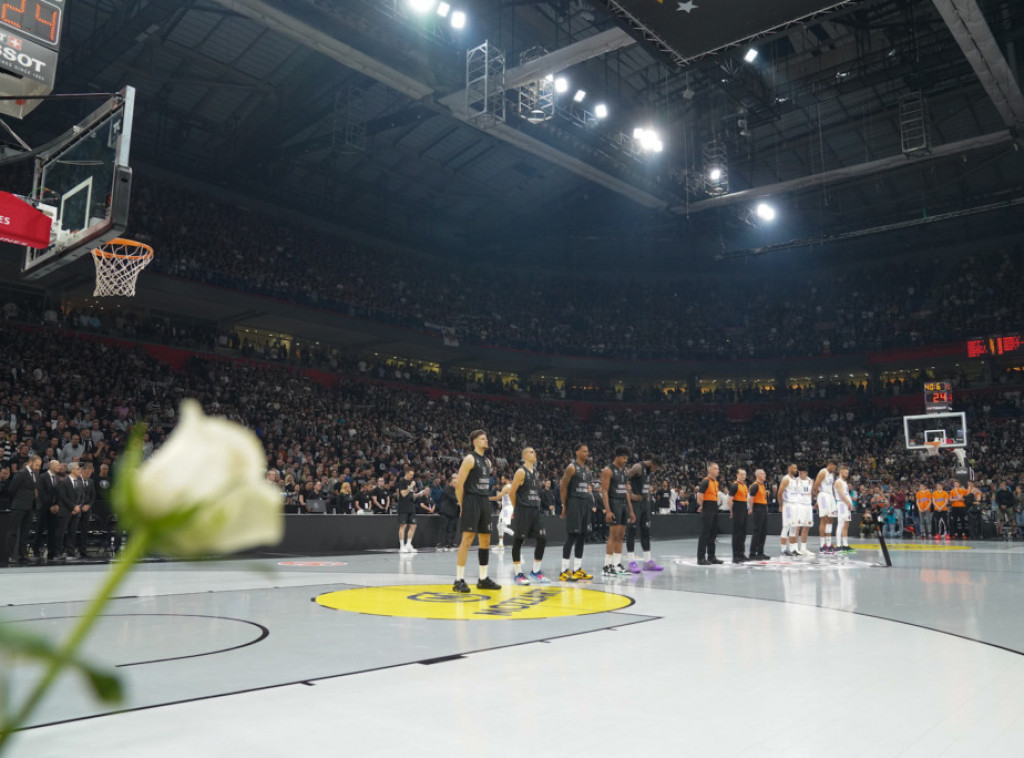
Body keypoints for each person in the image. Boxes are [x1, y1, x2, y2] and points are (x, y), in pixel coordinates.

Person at [452, 430, 501, 592]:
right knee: (467, 539)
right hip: (471, 500)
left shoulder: (487, 462)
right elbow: (459, 485)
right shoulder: (469, 459)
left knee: (486, 540)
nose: (486, 440)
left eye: (486, 438)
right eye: (482, 438)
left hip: (484, 500)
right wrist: (462, 505)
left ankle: (483, 578)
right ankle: (458, 579)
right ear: (474, 441)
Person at [507, 447, 550, 585]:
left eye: (534, 451)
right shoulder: (521, 471)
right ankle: (518, 573)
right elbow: (512, 492)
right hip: (523, 510)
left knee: (542, 538)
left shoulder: (535, 472)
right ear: (525, 456)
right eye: (531, 452)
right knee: (519, 540)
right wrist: (516, 508)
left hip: (535, 510)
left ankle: (535, 572)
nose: (535, 453)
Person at [559, 443, 594, 582]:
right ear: (577, 452)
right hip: (574, 503)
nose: (587, 453)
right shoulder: (571, 468)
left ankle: (577, 569)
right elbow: (563, 486)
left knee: (582, 536)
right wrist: (564, 505)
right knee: (572, 536)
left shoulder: (587, 469)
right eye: (584, 451)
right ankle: (563, 571)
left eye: (587, 451)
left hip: (585, 504)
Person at [624, 456, 664, 572]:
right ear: (652, 463)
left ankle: (647, 562)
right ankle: (631, 562)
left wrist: (647, 496)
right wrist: (630, 495)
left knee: (646, 531)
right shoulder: (638, 467)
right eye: (656, 467)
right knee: (632, 531)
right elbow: (623, 480)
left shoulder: (649, 471)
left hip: (644, 504)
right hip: (635, 503)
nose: (656, 470)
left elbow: (645, 486)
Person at [601, 446, 635, 577]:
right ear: (617, 457)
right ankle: (606, 566)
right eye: (623, 458)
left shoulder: (625, 471)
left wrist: (631, 510)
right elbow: (604, 491)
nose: (625, 460)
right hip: (614, 503)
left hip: (623, 504)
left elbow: (626, 491)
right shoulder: (608, 470)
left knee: (621, 536)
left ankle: (617, 564)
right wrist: (608, 511)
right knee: (613, 535)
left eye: (627, 458)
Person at [4, 455, 40, 565]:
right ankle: (10, 555)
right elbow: (12, 490)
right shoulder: (21, 473)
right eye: (37, 465)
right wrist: (17, 502)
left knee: (25, 532)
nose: (39, 467)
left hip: (29, 507)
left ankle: (22, 554)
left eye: (40, 465)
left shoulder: (35, 474)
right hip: (19, 506)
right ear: (31, 462)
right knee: (13, 531)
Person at [396, 468, 429, 553]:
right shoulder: (401, 482)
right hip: (403, 507)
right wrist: (410, 486)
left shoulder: (411, 482)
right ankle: (402, 546)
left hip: (411, 506)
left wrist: (418, 494)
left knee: (413, 525)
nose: (412, 476)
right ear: (406, 473)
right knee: (403, 526)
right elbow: (403, 494)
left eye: (412, 475)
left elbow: (411, 495)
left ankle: (408, 544)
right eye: (410, 474)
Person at [696, 462, 723, 565]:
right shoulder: (705, 482)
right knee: (705, 533)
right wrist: (702, 505)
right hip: (707, 507)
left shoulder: (715, 482)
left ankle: (711, 556)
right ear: (710, 470)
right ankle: (701, 557)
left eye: (718, 469)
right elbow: (699, 495)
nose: (718, 470)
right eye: (716, 469)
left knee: (713, 533)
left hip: (714, 507)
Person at [812, 460, 838, 555]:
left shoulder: (832, 475)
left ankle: (828, 543)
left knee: (831, 519)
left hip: (830, 496)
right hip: (823, 495)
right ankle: (822, 545)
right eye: (834, 467)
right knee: (824, 519)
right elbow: (816, 486)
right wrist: (819, 498)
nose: (834, 469)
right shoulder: (823, 472)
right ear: (830, 465)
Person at [746, 468, 771, 560]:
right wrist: (751, 508)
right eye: (763, 473)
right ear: (758, 475)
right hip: (758, 508)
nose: (765, 475)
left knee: (763, 531)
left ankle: (760, 552)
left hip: (763, 507)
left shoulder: (762, 486)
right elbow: (750, 498)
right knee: (757, 530)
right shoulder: (755, 486)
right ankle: (752, 553)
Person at [727, 468, 749, 563]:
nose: (743, 476)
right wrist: (732, 511)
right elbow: (729, 500)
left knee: (743, 533)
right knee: (737, 533)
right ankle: (735, 555)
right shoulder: (735, 485)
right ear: (737, 475)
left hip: (744, 508)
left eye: (744, 474)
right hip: (737, 508)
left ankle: (741, 553)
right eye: (741, 474)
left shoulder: (744, 485)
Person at [792, 465, 814, 556]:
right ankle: (795, 548)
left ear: (806, 473)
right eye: (799, 472)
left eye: (802, 472)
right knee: (798, 527)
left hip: (808, 506)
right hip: (799, 506)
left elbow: (811, 493)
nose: (800, 474)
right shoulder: (795, 481)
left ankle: (803, 548)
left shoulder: (810, 481)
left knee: (806, 527)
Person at [777, 463, 798, 557]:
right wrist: (781, 504)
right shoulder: (786, 479)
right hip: (788, 505)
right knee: (786, 526)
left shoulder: (795, 480)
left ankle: (792, 549)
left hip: (795, 505)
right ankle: (783, 549)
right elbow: (779, 492)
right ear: (789, 468)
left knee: (794, 527)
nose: (796, 470)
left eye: (796, 468)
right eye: (794, 468)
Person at [834, 465, 855, 553]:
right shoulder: (838, 481)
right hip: (842, 504)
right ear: (841, 472)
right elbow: (841, 494)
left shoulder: (844, 482)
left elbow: (845, 494)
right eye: (846, 472)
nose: (847, 474)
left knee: (846, 524)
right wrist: (849, 502)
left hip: (846, 504)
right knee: (841, 524)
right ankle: (838, 545)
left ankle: (845, 545)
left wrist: (850, 502)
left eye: (848, 473)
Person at [490, 475, 514, 550]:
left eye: (502, 478)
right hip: (506, 508)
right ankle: (500, 544)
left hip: (507, 509)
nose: (501, 480)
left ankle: (517, 537)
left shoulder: (507, 487)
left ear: (506, 479)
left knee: (501, 526)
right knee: (499, 525)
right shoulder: (511, 486)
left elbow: (498, 497)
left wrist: (488, 498)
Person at [437, 474, 460, 550]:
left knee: (452, 529)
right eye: (455, 482)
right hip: (445, 512)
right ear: (451, 482)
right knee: (443, 528)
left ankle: (449, 543)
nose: (456, 483)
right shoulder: (447, 488)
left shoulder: (456, 490)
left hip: (454, 513)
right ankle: (440, 543)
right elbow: (453, 498)